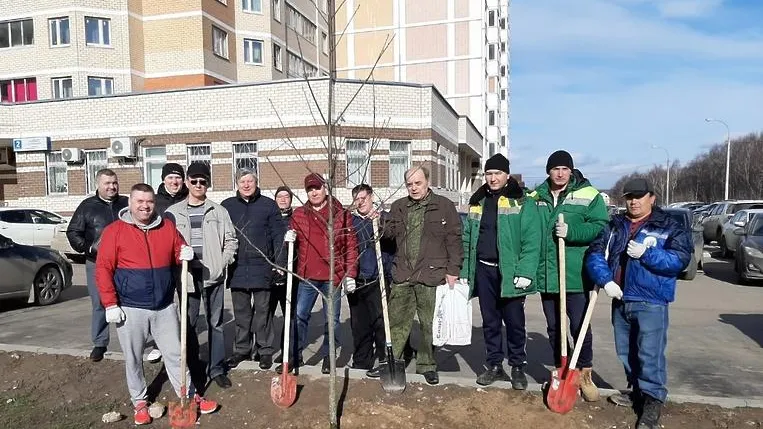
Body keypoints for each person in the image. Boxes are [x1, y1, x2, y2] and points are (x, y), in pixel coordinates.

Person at [94, 183, 218, 425]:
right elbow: (103, 269)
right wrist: (110, 304)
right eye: (139, 201)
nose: (145, 206)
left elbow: (178, 249)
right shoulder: (114, 231)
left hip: (164, 306)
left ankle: (189, 395)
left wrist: (184, 251)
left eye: (149, 201)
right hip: (130, 307)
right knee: (133, 357)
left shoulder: (167, 227)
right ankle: (140, 402)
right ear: (130, 203)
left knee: (175, 354)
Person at [586, 178, 692, 429]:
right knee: (626, 351)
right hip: (621, 298)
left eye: (639, 196)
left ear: (652, 198)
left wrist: (648, 253)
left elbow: (680, 260)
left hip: (651, 300)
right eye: (630, 197)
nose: (634, 201)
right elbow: (595, 254)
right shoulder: (616, 225)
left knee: (649, 354)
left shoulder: (668, 226)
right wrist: (606, 280)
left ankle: (652, 401)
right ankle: (637, 391)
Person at [530, 150, 609, 402]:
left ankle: (584, 373)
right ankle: (560, 370)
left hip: (574, 274)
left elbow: (600, 227)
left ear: (571, 171)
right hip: (547, 275)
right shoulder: (536, 197)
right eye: (556, 169)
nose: (560, 173)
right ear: (548, 171)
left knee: (579, 326)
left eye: (565, 168)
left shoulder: (588, 195)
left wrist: (572, 230)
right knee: (554, 328)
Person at [376, 165, 463, 386]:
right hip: (404, 273)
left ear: (427, 182)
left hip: (431, 274)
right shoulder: (399, 206)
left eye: (418, 183)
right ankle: (393, 361)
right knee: (397, 321)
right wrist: (380, 222)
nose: (414, 188)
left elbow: (454, 239)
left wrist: (454, 270)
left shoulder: (444, 206)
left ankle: (426, 364)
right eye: (410, 184)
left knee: (428, 323)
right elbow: (390, 236)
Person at [460, 154, 541, 389]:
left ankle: (517, 366)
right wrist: (466, 270)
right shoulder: (478, 201)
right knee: (490, 322)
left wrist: (525, 271)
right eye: (489, 174)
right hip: (484, 271)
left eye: (497, 173)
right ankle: (494, 366)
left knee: (515, 323)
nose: (493, 178)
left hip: (510, 272)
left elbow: (531, 240)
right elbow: (468, 238)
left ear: (507, 175)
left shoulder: (521, 201)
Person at [165, 162, 238, 390]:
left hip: (212, 275)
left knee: (215, 323)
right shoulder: (173, 213)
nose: (198, 185)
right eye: (194, 181)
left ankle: (216, 368)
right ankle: (193, 367)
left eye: (202, 181)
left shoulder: (219, 211)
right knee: (188, 323)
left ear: (208, 184)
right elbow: (165, 244)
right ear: (187, 182)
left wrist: (221, 264)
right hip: (187, 276)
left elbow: (231, 241)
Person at [281, 173, 358, 375]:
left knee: (331, 320)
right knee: (299, 316)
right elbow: (292, 245)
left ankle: (328, 357)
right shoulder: (299, 214)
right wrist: (288, 239)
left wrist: (350, 274)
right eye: (310, 189)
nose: (314, 192)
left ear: (325, 188)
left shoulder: (340, 213)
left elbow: (351, 245)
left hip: (333, 276)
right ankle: (294, 357)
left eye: (317, 188)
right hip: (307, 275)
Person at [221, 168, 285, 371]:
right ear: (237, 184)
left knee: (263, 313)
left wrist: (279, 264)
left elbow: (278, 236)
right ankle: (242, 350)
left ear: (256, 182)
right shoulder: (227, 206)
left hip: (262, 267)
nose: (246, 185)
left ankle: (264, 350)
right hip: (237, 267)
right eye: (242, 181)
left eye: (250, 180)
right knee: (242, 313)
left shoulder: (268, 205)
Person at [66, 168, 128, 362]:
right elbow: (73, 232)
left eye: (114, 183)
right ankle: (100, 343)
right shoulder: (87, 206)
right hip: (97, 262)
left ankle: (133, 340)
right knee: (100, 302)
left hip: (126, 263)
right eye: (107, 183)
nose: (111, 187)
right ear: (97, 185)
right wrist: (89, 248)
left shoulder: (127, 203)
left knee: (129, 301)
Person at [347, 184, 395, 370]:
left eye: (363, 198)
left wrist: (380, 222)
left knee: (381, 323)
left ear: (371, 197)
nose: (360, 203)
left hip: (378, 280)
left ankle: (384, 360)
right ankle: (361, 361)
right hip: (357, 281)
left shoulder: (384, 217)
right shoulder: (351, 221)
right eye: (357, 200)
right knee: (359, 326)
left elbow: (392, 238)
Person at [145, 162, 189, 364]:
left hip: (186, 261)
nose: (175, 181)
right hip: (162, 261)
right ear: (163, 179)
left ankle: (185, 341)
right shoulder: (156, 202)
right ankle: (158, 344)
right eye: (171, 178)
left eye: (178, 177)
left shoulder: (190, 198)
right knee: (162, 302)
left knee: (186, 304)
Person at [270, 185, 298, 368]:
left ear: (291, 199)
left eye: (286, 196)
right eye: (279, 196)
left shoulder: (296, 218)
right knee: (264, 315)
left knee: (290, 315)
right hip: (272, 273)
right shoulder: (270, 218)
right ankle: (262, 350)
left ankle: (288, 352)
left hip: (292, 274)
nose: (282, 199)